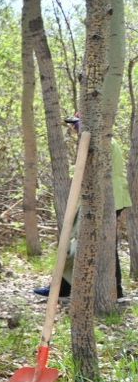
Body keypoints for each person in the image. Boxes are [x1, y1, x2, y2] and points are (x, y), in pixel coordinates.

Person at [35, 115, 128, 300]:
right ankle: (69, 287)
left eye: (76, 125)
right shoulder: (103, 140)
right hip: (107, 198)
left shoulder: (101, 142)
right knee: (96, 243)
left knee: (86, 242)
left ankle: (69, 288)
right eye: (73, 126)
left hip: (108, 199)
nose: (74, 129)